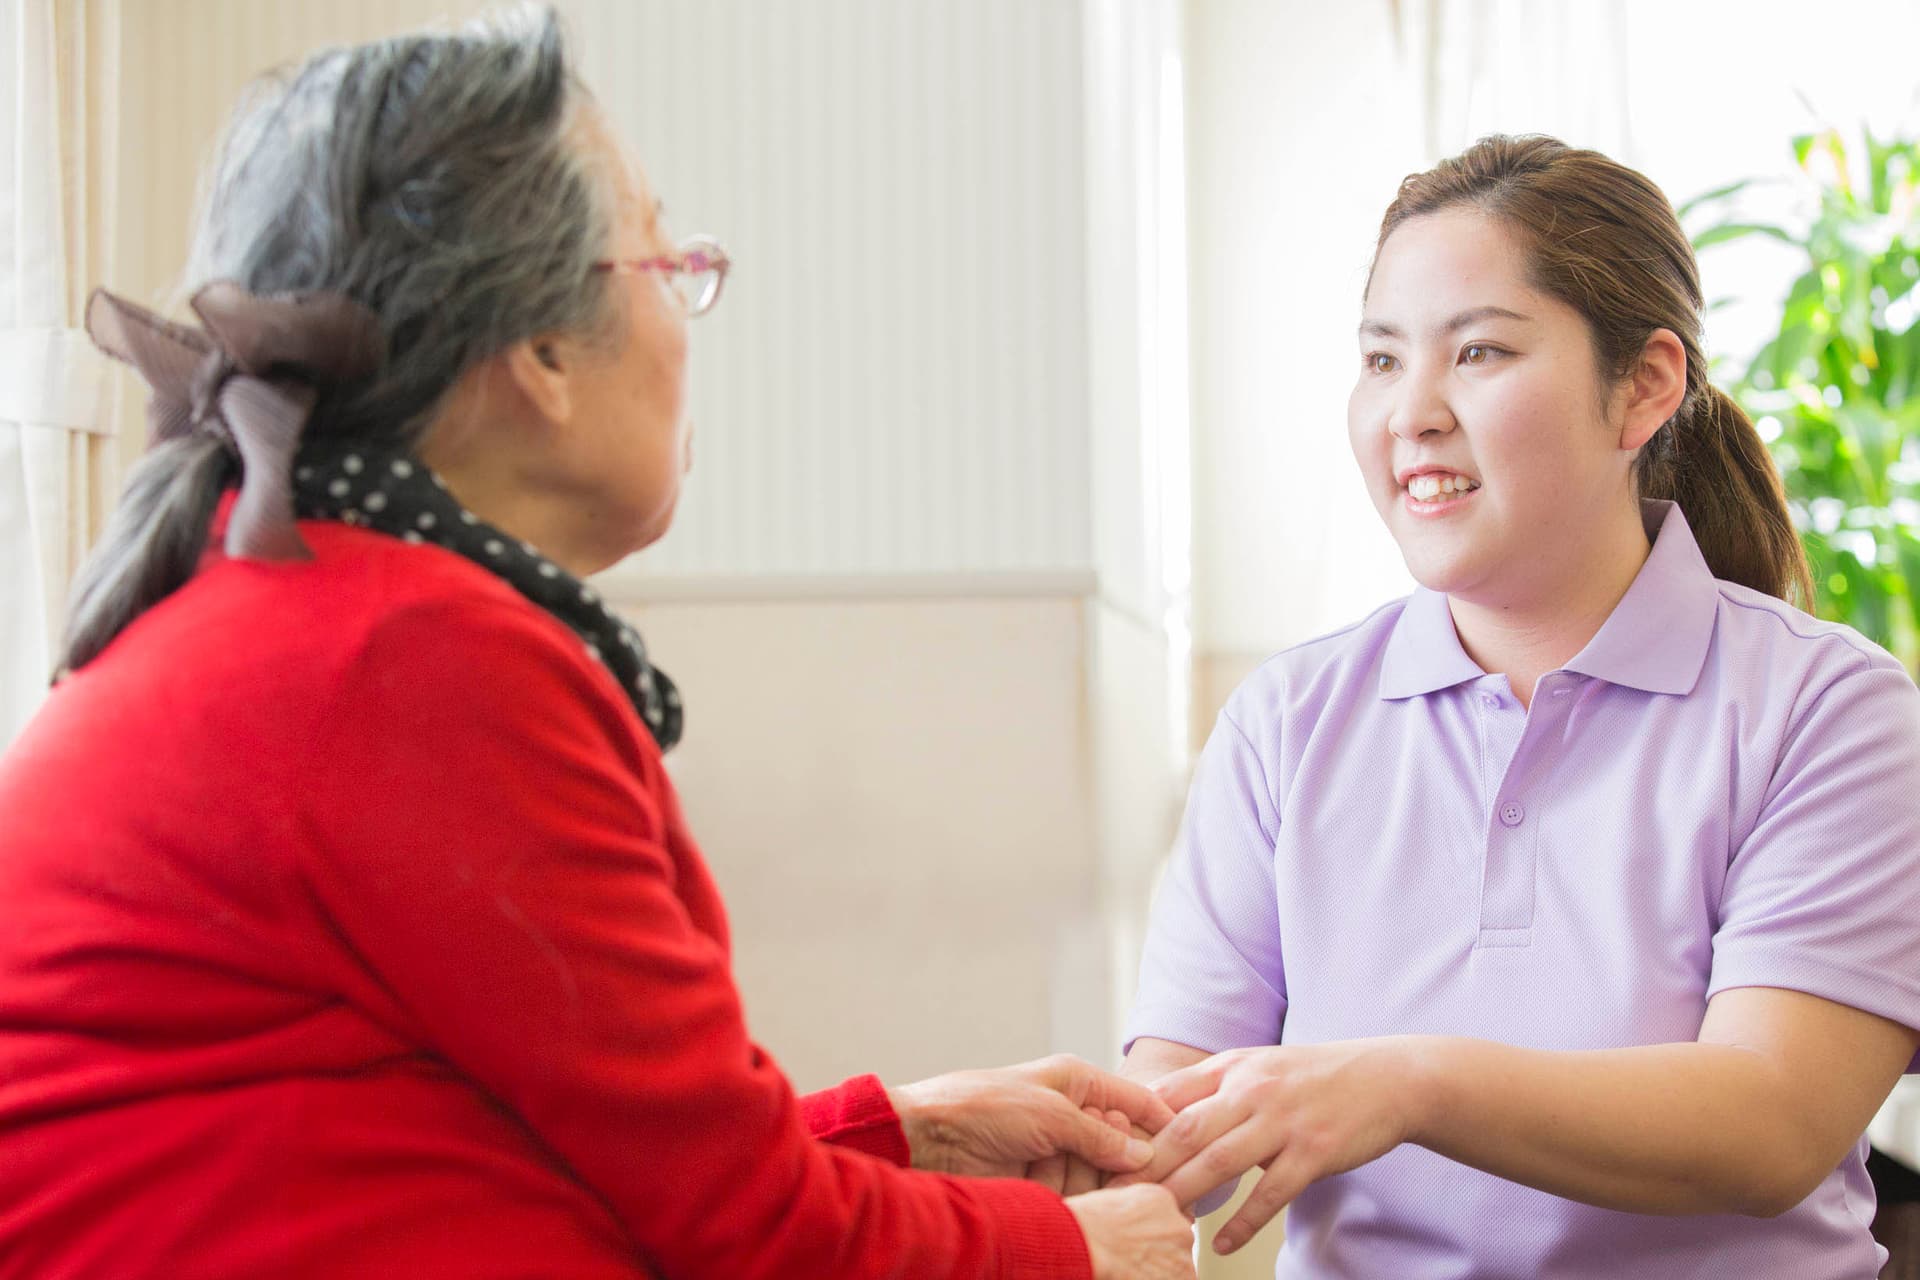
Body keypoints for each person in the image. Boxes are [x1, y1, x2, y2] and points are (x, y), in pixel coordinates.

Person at [0, 10, 1195, 1279]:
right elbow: (756, 1239)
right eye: (665, 260)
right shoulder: (414, 660)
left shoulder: (311, 610)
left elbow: (593, 1156)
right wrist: (1074, 1250)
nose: (688, 313)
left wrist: (907, 1129)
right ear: (545, 351)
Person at [1115, 134, 1920, 1277]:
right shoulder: (1285, 721)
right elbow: (1172, 1129)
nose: (1414, 412)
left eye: (1479, 351)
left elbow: (1772, 1119)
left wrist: (1407, 1080)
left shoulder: (1827, 709)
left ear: (1644, 385)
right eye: (1382, 360)